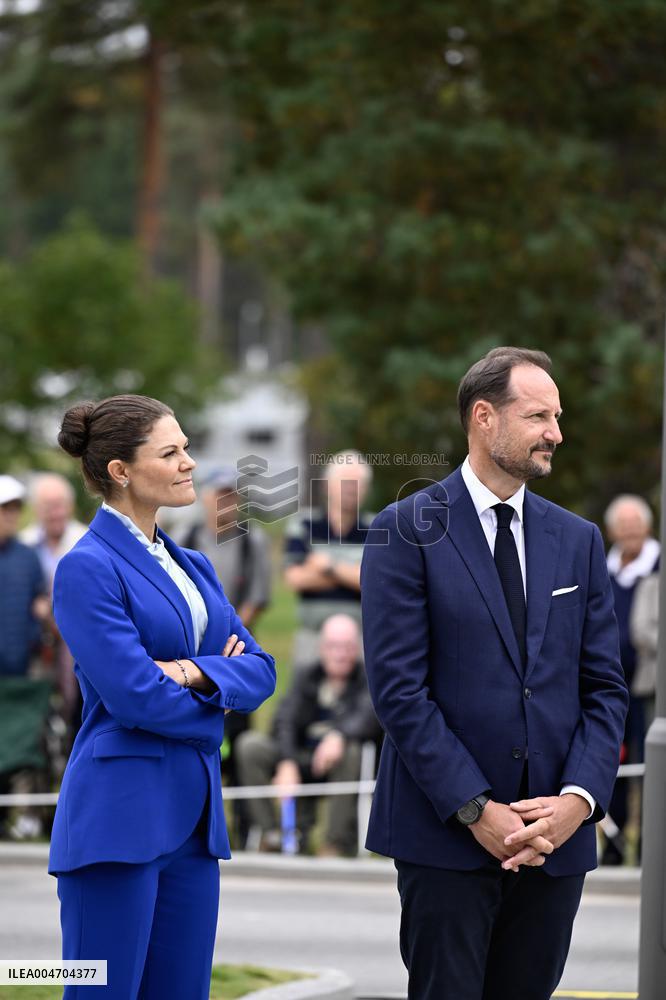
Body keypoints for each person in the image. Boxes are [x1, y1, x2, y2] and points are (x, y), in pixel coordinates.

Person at [361, 347, 628, 1000]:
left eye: (557, 417)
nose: (556, 434)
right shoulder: (403, 530)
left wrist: (578, 803)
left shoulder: (579, 539)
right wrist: (476, 808)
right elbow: (399, 693)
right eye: (539, 416)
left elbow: (604, 688)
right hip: (444, 840)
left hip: (553, 847)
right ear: (484, 417)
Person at [49, 394, 276, 1000]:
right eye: (171, 452)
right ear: (121, 471)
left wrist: (192, 673)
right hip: (117, 819)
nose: (190, 464)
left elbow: (262, 669)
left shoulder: (195, 563)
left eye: (187, 449)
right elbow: (135, 698)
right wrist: (218, 701)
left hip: (194, 824)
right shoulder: (87, 567)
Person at [236, 613, 379, 855]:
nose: (340, 654)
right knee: (250, 746)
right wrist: (287, 760)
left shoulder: (368, 681)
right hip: (302, 756)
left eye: (346, 647)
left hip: (342, 765)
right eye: (334, 646)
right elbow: (285, 720)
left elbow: (370, 716)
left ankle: (334, 844)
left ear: (356, 649)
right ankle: (271, 836)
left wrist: (339, 736)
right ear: (322, 648)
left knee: (351, 751)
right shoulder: (306, 676)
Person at [602, 494, 659, 864]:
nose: (630, 532)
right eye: (623, 526)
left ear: (648, 527)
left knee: (651, 767)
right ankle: (614, 846)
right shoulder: (604, 568)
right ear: (612, 531)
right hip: (607, 686)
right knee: (611, 765)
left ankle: (649, 853)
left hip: (648, 688)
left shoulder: (658, 568)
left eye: (635, 525)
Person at [284, 450, 373, 670]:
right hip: (312, 636)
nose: (351, 489)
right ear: (327, 486)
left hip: (362, 639)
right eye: (345, 482)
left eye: (358, 483)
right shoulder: (303, 525)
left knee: (363, 702)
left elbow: (374, 583)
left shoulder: (378, 527)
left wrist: (328, 567)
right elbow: (295, 579)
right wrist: (353, 574)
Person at [0, 474, 51, 840]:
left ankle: (25, 817)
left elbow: (39, 605)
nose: (11, 516)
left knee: (19, 747)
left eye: (15, 509)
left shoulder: (28, 556)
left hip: (20, 675)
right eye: (5, 509)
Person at [21, 473, 88, 744]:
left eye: (59, 504)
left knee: (77, 703)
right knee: (38, 705)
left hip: (78, 640)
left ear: (70, 506)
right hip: (39, 643)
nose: (54, 512)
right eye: (47, 506)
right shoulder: (24, 544)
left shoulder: (86, 539)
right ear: (36, 509)